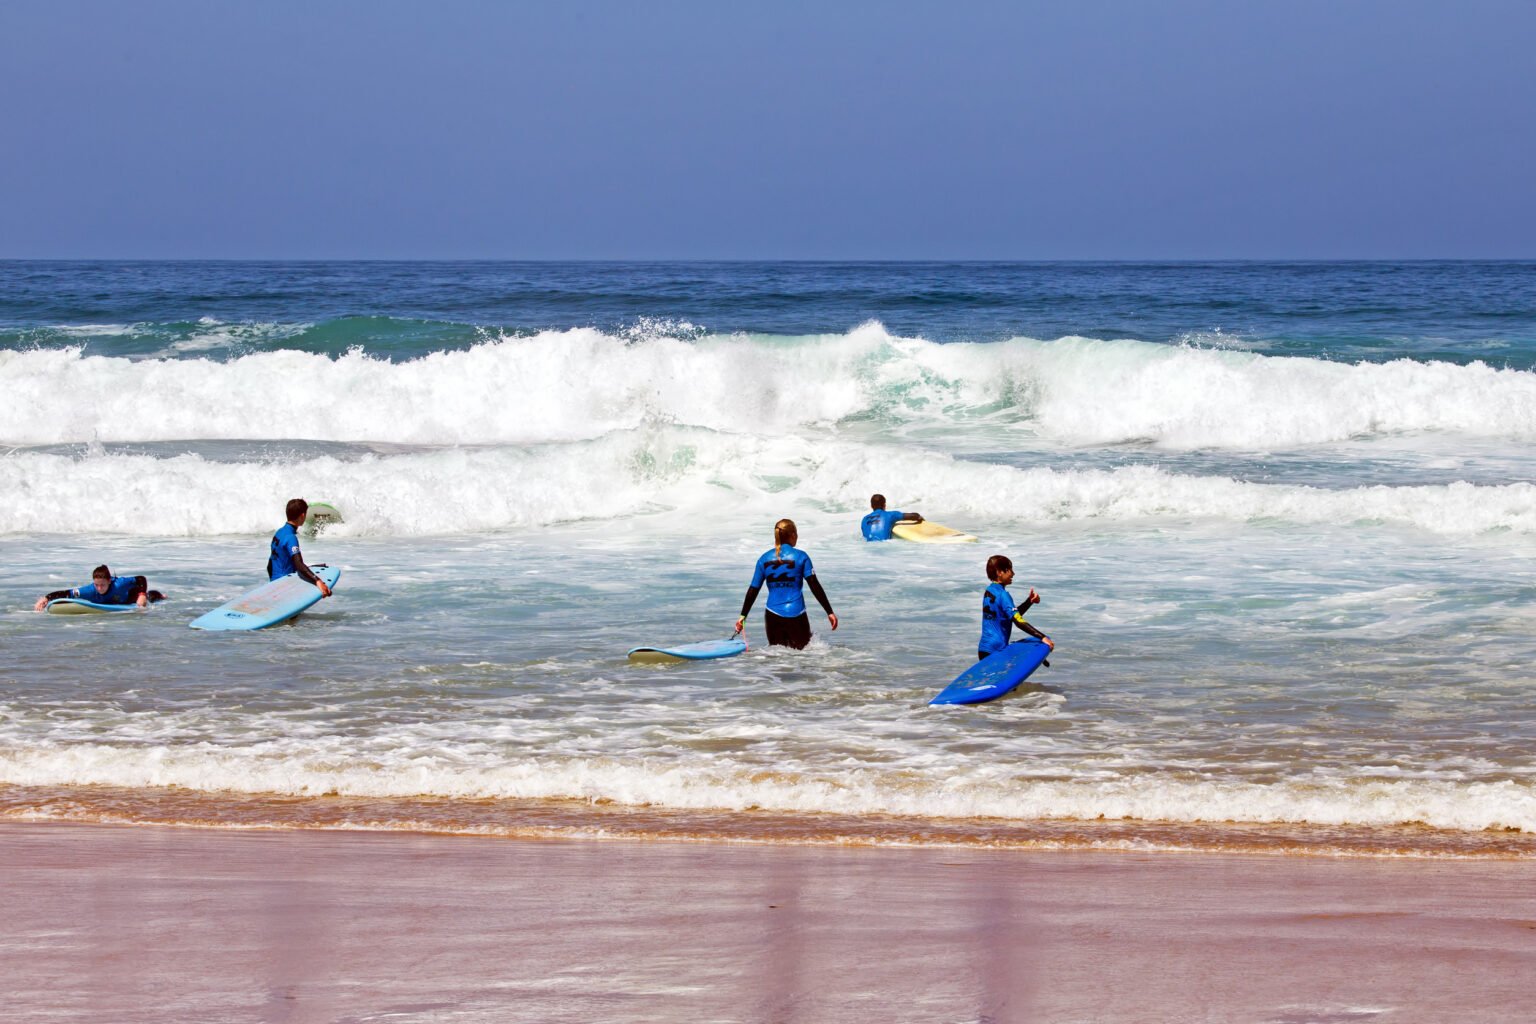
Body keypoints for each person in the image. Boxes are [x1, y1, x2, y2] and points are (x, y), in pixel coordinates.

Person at [735, 518, 837, 649]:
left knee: (778, 660)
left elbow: (753, 589)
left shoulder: (764, 558)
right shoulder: (801, 556)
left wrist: (742, 617)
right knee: (803, 658)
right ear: (793, 535)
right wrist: (829, 612)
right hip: (797, 614)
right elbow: (814, 585)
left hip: (772, 616)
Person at [978, 554, 1053, 660]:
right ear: (999, 572)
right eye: (1009, 570)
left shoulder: (989, 591)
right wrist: (1042, 637)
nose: (1013, 573)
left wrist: (1029, 601)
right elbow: (1017, 620)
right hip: (997, 651)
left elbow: (1009, 616)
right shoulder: (1003, 595)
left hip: (984, 649)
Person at [269, 497, 333, 598]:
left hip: (274, 583)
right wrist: (318, 581)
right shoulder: (291, 538)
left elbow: (270, 564)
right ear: (302, 515)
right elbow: (299, 564)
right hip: (284, 585)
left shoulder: (279, 533)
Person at [34, 564, 164, 611]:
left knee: (151, 596)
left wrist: (141, 595)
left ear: (109, 581)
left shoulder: (120, 584)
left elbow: (141, 579)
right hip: (112, 603)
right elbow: (66, 593)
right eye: (97, 585)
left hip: (130, 598)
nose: (99, 588)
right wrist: (46, 598)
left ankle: (162, 596)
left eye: (102, 585)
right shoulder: (89, 590)